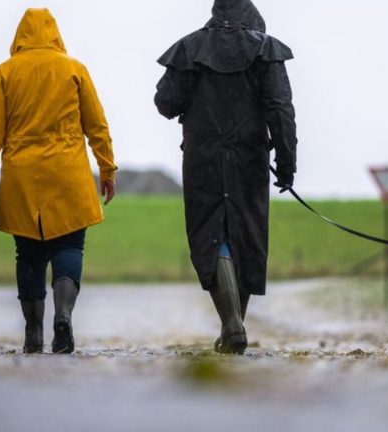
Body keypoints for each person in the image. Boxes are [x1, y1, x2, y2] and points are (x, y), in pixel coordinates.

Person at [154, 0, 297, 354]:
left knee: (210, 232)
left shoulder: (190, 48)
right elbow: (281, 108)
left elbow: (165, 102)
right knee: (245, 234)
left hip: (203, 158)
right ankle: (233, 325)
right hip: (250, 157)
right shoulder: (266, 50)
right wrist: (287, 161)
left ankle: (232, 325)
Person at [0, 8, 117, 354]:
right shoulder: (74, 69)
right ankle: (63, 316)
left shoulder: (5, 73)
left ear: (19, 36)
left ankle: (34, 331)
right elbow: (97, 125)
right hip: (67, 176)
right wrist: (107, 169)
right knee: (69, 247)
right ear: (55, 33)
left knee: (29, 255)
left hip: (23, 179)